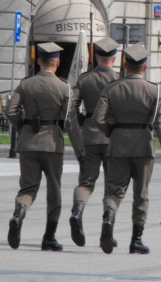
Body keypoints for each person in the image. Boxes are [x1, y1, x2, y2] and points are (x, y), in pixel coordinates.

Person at [92, 44, 161, 255]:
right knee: (141, 194)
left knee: (114, 190)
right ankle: (136, 240)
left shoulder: (111, 88)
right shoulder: (154, 90)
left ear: (125, 65)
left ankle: (109, 218)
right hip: (144, 147)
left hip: (118, 145)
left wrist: (112, 131)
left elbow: (97, 119)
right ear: (144, 67)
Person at [5, 42, 84, 252]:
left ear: (38, 61)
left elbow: (10, 111)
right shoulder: (64, 87)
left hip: (28, 143)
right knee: (54, 188)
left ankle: (18, 214)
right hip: (52, 143)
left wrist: (23, 127)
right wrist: (80, 151)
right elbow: (69, 122)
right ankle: (49, 236)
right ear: (57, 62)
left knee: (28, 187)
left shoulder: (25, 84)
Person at [69, 37, 121, 248]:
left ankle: (77, 212)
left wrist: (82, 120)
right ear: (114, 58)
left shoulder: (84, 79)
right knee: (113, 186)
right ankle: (108, 223)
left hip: (89, 135)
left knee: (86, 182)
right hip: (113, 138)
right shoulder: (120, 79)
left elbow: (71, 107)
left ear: (96, 57)